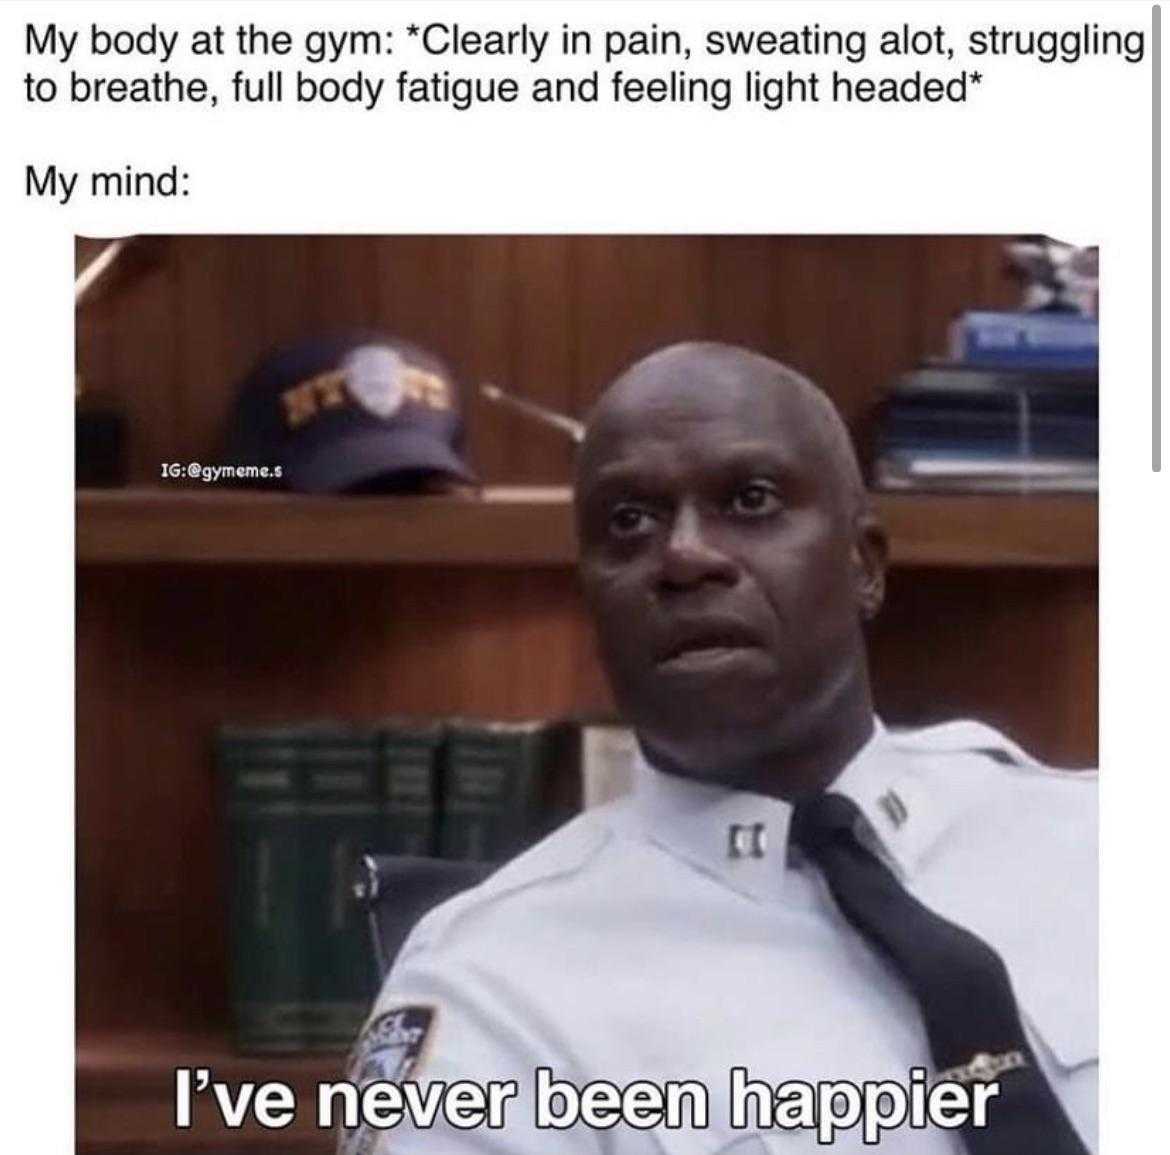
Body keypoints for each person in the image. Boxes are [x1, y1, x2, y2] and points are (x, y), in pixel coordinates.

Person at [340, 342, 1097, 1154]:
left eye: (752, 499)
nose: (685, 555)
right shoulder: (491, 985)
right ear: (590, 593)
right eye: (628, 521)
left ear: (864, 566)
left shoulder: (1098, 834)